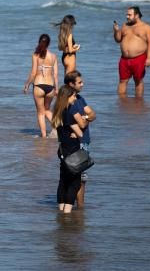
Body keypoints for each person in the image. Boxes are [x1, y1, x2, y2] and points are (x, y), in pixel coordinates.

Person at [52, 85, 88, 214]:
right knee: (75, 183)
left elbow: (65, 130)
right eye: (73, 96)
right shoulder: (69, 112)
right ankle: (67, 213)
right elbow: (80, 134)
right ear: (67, 97)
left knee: (63, 181)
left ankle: (61, 211)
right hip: (72, 150)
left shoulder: (58, 111)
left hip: (62, 149)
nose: (75, 98)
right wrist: (85, 120)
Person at [64, 71, 95, 208]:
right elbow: (81, 124)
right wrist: (86, 119)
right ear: (71, 84)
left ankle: (77, 207)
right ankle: (80, 209)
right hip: (78, 143)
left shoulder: (80, 99)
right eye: (79, 82)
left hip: (84, 141)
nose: (83, 84)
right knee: (80, 178)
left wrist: (87, 118)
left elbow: (92, 114)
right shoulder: (71, 103)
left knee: (80, 178)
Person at [113, 6, 150, 96]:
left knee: (138, 81)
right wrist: (116, 31)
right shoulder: (125, 25)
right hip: (124, 59)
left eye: (129, 15)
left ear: (137, 15)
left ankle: (139, 102)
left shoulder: (146, 27)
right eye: (126, 15)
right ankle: (121, 103)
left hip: (139, 58)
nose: (127, 16)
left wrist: (149, 58)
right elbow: (118, 40)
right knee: (122, 81)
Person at [23, 34, 58, 138]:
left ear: (39, 42)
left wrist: (27, 84)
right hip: (50, 87)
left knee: (40, 113)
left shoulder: (35, 55)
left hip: (39, 86)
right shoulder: (53, 56)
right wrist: (57, 88)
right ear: (49, 43)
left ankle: (43, 135)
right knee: (47, 110)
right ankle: (58, 128)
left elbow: (33, 73)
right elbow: (55, 75)